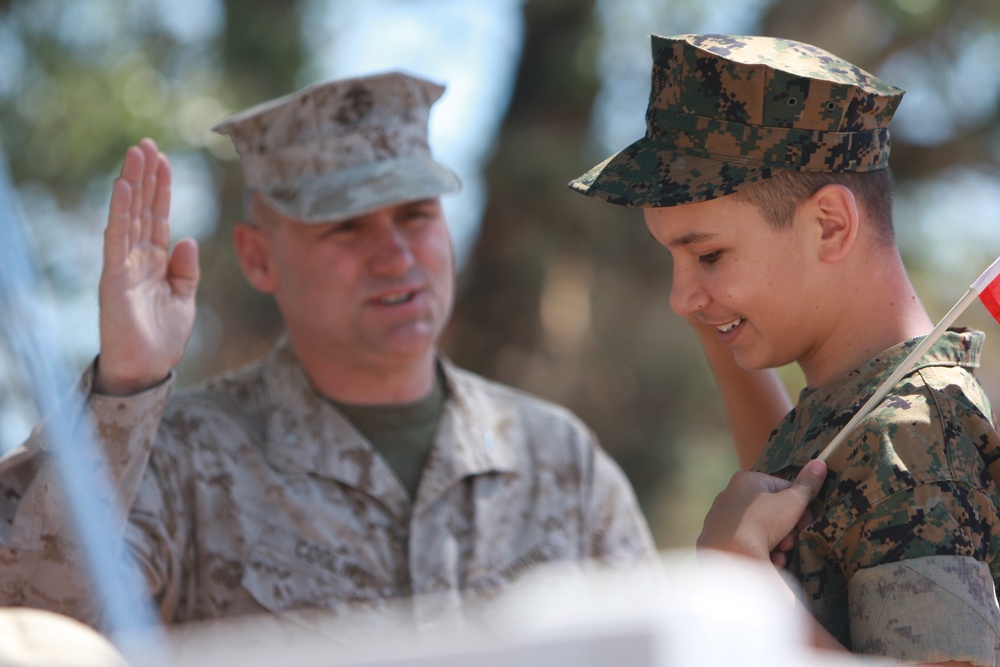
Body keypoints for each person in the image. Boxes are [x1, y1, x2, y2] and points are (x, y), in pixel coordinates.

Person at [0, 72, 661, 637]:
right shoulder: (178, 459)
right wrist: (126, 385)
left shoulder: (558, 461)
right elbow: (31, 624)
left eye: (416, 215)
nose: (395, 255)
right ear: (259, 256)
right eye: (345, 223)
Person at [570, 34, 1000, 666]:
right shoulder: (857, 405)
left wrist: (744, 587)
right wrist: (716, 315)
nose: (680, 295)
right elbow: (805, 494)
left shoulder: (912, 429)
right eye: (674, 260)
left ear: (829, 225)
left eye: (708, 254)